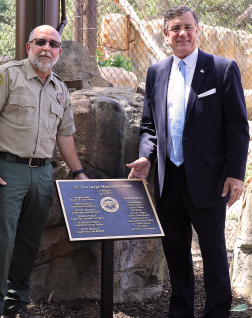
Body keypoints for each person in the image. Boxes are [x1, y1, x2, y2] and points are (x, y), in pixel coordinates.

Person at [126, 6, 249, 318]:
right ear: (166, 35)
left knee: (213, 253)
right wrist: (146, 155)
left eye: (188, 27)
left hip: (209, 180)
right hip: (169, 181)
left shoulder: (222, 68)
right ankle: (180, 311)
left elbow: (237, 126)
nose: (182, 33)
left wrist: (235, 174)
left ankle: (218, 311)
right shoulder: (156, 72)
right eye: (175, 28)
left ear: (198, 31)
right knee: (176, 254)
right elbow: (150, 126)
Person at [0, 25, 89, 318]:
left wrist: (78, 173)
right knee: (1, 240)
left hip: (41, 174)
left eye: (53, 44)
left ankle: (16, 304)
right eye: (40, 42)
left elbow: (64, 136)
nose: (46, 48)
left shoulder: (60, 89)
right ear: (29, 46)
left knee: (29, 241)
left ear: (60, 51)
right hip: (6, 171)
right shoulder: (7, 76)